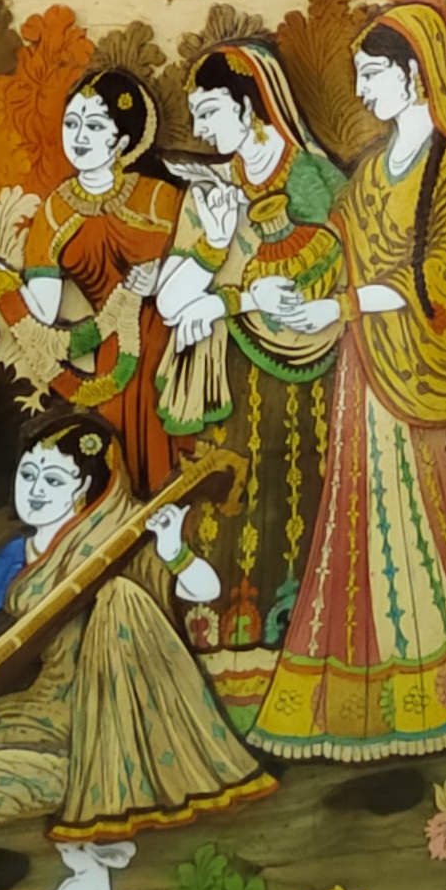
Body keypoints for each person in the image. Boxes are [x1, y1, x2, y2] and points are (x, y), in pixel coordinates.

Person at [252, 5, 446, 760]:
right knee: (359, 516)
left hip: (420, 367)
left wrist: (344, 304)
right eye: (359, 75)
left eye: (372, 74)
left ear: (415, 72)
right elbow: (340, 240)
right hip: (366, 367)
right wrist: (279, 269)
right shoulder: (377, 165)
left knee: (429, 518)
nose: (362, 90)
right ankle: (369, 686)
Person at [0, 422, 272, 837]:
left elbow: (205, 591)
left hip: (137, 702)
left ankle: (117, 775)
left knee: (120, 596)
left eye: (53, 480)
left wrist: (173, 551)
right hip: (55, 704)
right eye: (27, 474)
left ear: (82, 487)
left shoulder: (122, 533)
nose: (35, 490)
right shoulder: (17, 557)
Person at [153, 40, 344, 656]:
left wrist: (220, 301)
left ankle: (305, 623)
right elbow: (171, 301)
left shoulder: (312, 178)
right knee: (234, 490)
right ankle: (232, 621)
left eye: (210, 111)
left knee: (302, 488)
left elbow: (322, 278)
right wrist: (213, 245)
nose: (201, 130)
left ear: (251, 106)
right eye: (195, 116)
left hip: (313, 372)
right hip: (234, 370)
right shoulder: (213, 187)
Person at [0, 68, 177, 492]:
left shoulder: (157, 196)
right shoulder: (57, 209)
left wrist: (163, 279)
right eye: (72, 123)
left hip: (175, 337)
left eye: (95, 126)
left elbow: (201, 262)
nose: (80, 136)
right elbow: (43, 311)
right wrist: (0, 282)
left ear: (122, 140)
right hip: (112, 350)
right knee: (121, 455)